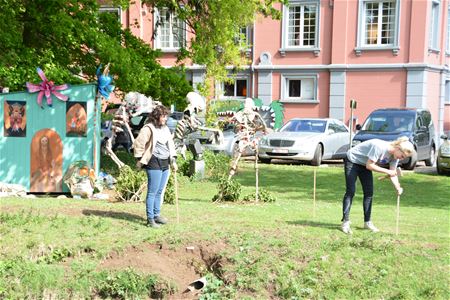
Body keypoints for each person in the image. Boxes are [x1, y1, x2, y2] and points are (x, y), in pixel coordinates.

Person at [341, 136, 414, 234]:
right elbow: (370, 165)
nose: (401, 159)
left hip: (364, 165)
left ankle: (367, 222)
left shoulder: (395, 157)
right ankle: (345, 222)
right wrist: (387, 171)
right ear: (398, 148)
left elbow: (392, 173)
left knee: (369, 193)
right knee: (351, 191)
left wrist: (398, 187)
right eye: (402, 156)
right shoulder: (379, 147)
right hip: (352, 160)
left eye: (403, 158)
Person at [133, 105, 177, 228]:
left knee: (159, 191)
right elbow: (139, 143)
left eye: (166, 116)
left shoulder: (166, 128)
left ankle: (157, 215)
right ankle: (150, 219)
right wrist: (139, 159)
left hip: (165, 162)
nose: (165, 118)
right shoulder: (148, 128)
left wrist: (173, 160)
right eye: (163, 116)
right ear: (157, 117)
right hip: (153, 162)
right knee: (152, 192)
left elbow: (171, 144)